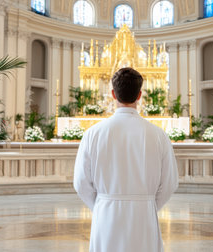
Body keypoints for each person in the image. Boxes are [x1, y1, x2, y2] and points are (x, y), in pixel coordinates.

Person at [74, 67, 178, 252]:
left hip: (106, 214)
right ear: (140, 95)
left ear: (113, 94)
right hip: (144, 216)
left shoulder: (93, 134)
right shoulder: (158, 135)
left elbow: (81, 182)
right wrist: (147, 204)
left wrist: (102, 204)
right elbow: (170, 183)